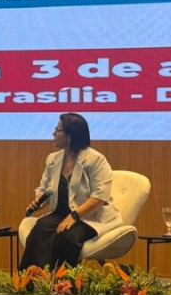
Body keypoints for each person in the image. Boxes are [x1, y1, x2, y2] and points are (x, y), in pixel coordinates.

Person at [19, 113, 122, 270]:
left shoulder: (96, 160)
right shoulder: (53, 159)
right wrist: (40, 200)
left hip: (89, 217)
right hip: (60, 214)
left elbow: (100, 196)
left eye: (58, 130)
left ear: (70, 136)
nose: (53, 133)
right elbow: (44, 188)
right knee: (40, 229)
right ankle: (30, 279)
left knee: (67, 236)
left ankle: (62, 281)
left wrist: (73, 216)